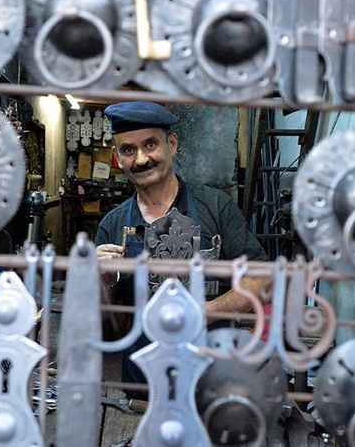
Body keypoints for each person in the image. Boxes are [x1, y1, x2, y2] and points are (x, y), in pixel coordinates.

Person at [94, 101, 270, 399]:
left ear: (172, 144)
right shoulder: (113, 226)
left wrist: (202, 313)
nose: (141, 159)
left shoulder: (215, 207)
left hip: (214, 372)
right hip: (143, 380)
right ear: (117, 157)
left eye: (150, 144)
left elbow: (262, 279)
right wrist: (105, 283)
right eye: (128, 150)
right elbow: (108, 329)